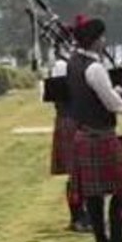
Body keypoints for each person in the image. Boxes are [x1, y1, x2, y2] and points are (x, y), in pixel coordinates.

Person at [66, 16, 122, 242]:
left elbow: (93, 93)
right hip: (100, 134)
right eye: (102, 37)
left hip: (83, 133)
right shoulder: (95, 67)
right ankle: (116, 240)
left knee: (93, 193)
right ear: (95, 40)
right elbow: (111, 103)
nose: (104, 41)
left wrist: (115, 89)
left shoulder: (73, 62)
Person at [44, 44, 88, 232]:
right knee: (76, 173)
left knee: (82, 172)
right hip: (70, 119)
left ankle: (82, 215)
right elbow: (60, 97)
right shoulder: (62, 66)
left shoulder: (73, 64)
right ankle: (77, 217)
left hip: (76, 118)